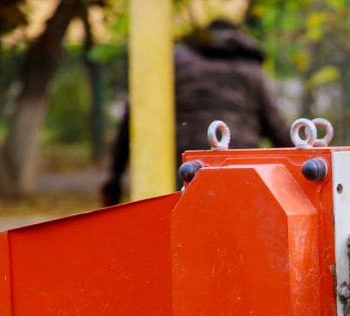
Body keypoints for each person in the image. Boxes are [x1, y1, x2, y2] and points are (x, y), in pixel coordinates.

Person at [102, 20, 292, 205]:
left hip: (186, 166)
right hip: (239, 167)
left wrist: (114, 177)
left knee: (182, 216)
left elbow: (134, 117)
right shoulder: (252, 71)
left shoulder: (173, 62)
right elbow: (277, 131)